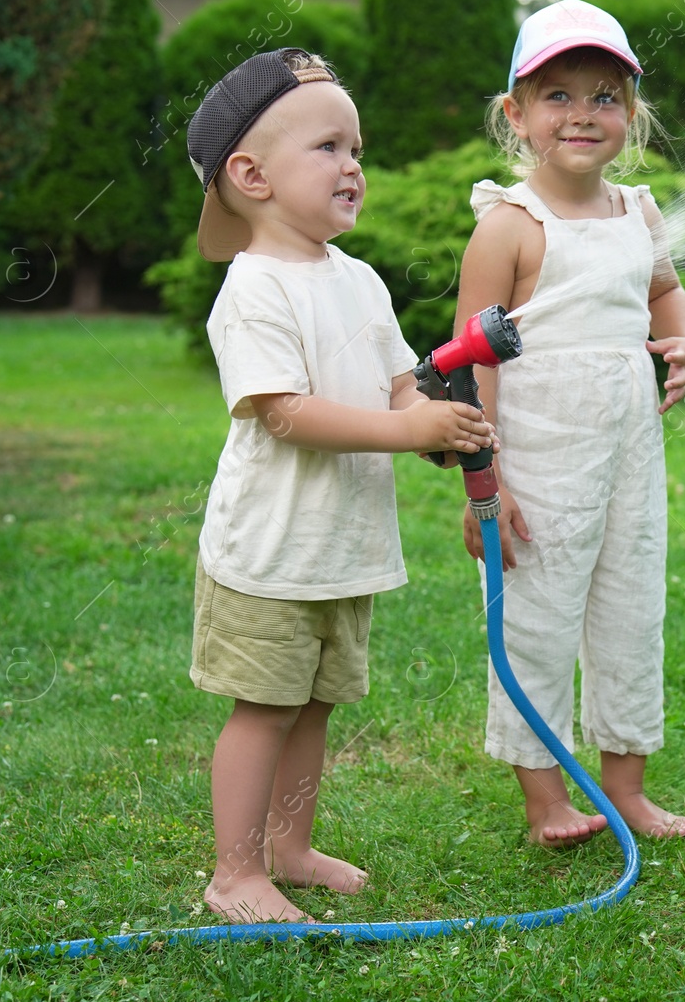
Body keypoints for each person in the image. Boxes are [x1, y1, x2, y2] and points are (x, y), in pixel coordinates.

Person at [185, 47, 494, 922]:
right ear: (251, 174)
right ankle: (236, 872)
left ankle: (290, 846)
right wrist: (404, 428)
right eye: (328, 147)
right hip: (271, 551)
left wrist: (435, 427)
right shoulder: (252, 290)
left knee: (315, 705)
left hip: (343, 548)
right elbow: (284, 411)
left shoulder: (359, 281)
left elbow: (397, 383)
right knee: (264, 709)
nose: (353, 165)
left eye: (356, 147)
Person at [457, 0, 685, 847]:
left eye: (604, 95)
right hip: (539, 456)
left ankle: (626, 787)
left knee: (631, 606)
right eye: (557, 95)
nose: (582, 114)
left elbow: (662, 290)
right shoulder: (508, 226)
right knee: (538, 618)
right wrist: (486, 482)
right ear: (515, 115)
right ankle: (546, 801)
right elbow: (473, 360)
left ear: (630, 114)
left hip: (630, 448)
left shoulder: (638, 211)